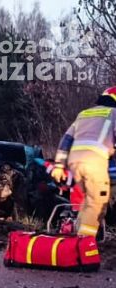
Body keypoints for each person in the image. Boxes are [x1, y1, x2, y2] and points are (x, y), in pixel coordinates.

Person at [51, 86, 116, 240]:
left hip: (75, 163)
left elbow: (66, 140)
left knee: (88, 202)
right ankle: (83, 244)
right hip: (95, 161)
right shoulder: (114, 114)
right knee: (97, 204)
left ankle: (77, 236)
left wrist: (59, 165)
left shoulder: (84, 114)